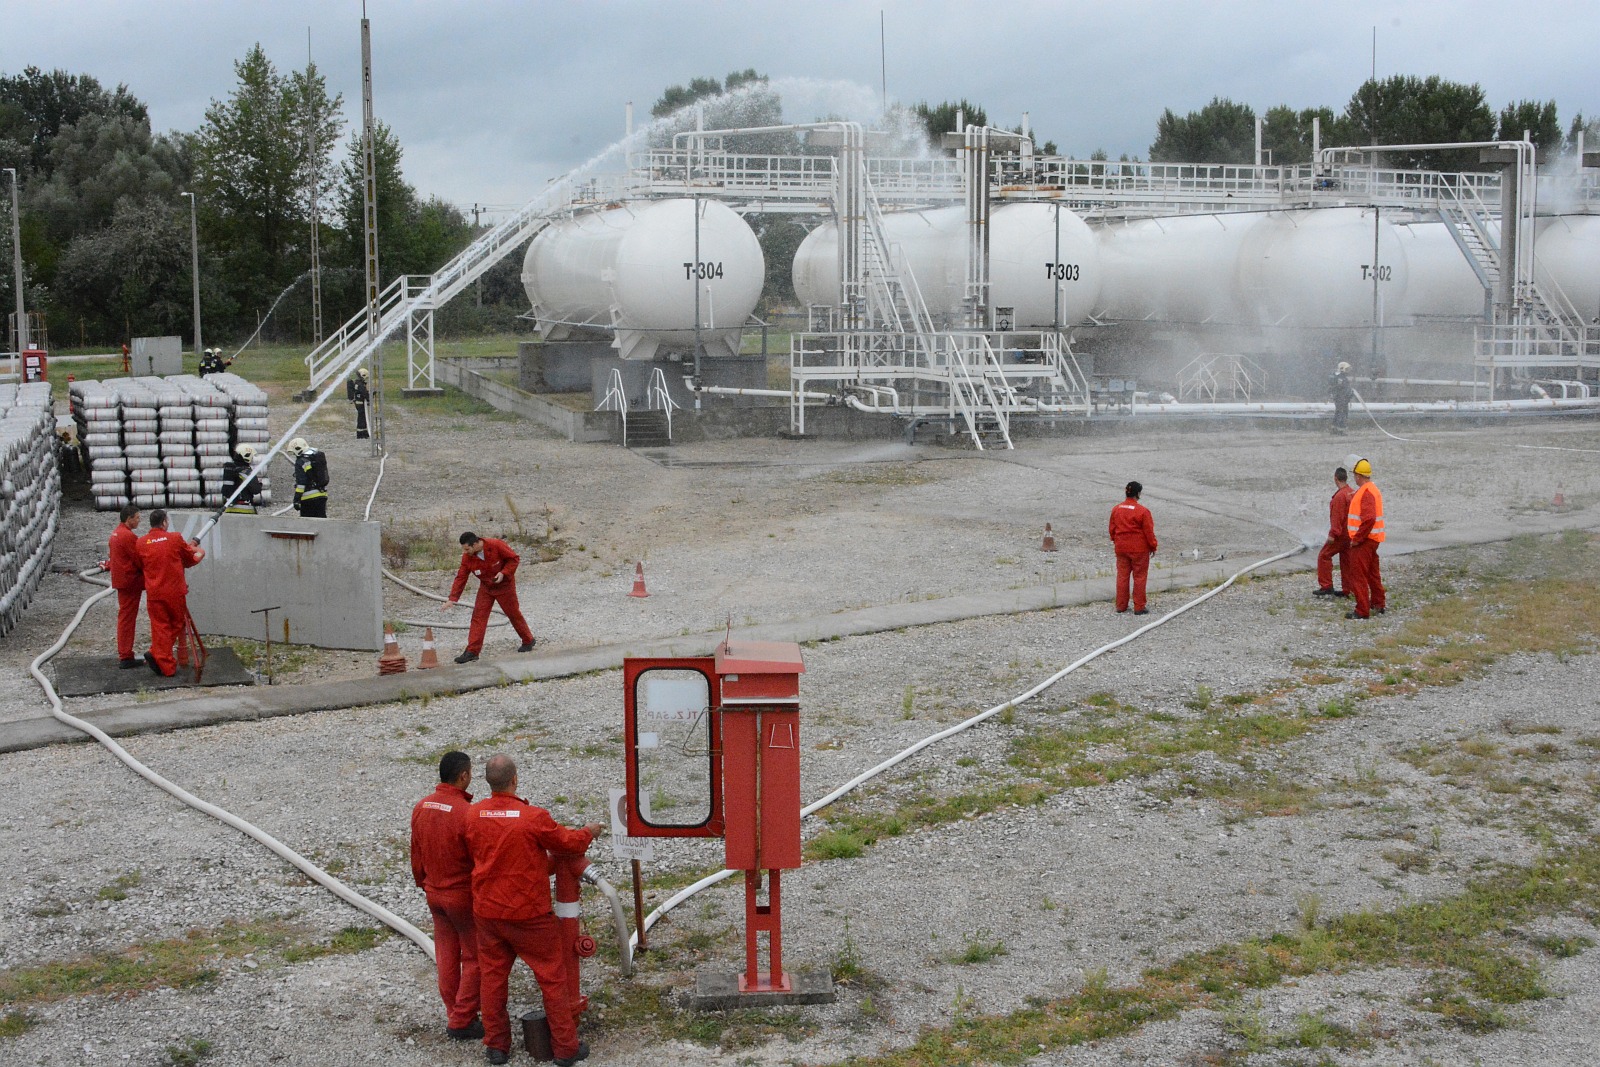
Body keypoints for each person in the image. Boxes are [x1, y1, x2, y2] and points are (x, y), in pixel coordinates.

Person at [466, 754, 603, 1067]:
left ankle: (497, 1047)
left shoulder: (472, 816)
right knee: (552, 980)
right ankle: (566, 1049)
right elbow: (567, 843)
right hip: (528, 917)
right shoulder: (532, 817)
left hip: (488, 914)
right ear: (515, 780)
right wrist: (588, 832)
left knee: (493, 980)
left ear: (488, 782)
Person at [411, 751, 483, 1042]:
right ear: (463, 776)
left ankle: (454, 1011)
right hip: (461, 897)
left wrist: (425, 883)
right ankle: (462, 1019)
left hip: (434, 893)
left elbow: (416, 854)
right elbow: (479, 860)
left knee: (445, 954)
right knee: (475, 956)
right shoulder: (466, 813)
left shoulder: (421, 806)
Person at [445, 532, 536, 664]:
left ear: (475, 544)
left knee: (513, 613)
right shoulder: (467, 558)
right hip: (486, 588)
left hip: (505, 586)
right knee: (478, 617)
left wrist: (504, 573)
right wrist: (452, 598)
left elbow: (513, 559)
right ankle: (472, 651)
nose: (465, 552)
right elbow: (461, 577)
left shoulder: (496, 545)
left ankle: (528, 640)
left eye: (467, 549)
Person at [136, 509, 205, 677]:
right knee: (175, 624)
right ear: (165, 522)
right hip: (174, 592)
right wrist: (200, 553)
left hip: (154, 593)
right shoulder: (175, 538)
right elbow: (189, 559)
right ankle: (165, 665)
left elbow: (141, 564)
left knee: (160, 627)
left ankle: (156, 652)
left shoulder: (141, 542)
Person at [1345, 458, 1387, 620]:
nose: (1354, 478)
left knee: (1358, 575)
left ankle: (1362, 610)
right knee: (1372, 573)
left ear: (1358, 475)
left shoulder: (1366, 492)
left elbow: (1369, 518)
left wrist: (1357, 539)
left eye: (1355, 475)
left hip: (1364, 541)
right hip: (1373, 540)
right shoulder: (1371, 489)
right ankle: (1378, 603)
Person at [1109, 480, 1159, 615]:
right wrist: (1153, 546)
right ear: (1138, 493)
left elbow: (1112, 529)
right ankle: (1139, 606)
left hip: (1121, 548)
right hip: (1139, 549)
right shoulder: (1143, 511)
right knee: (1140, 576)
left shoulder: (1116, 509)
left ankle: (1121, 605)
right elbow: (1149, 532)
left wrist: (1117, 541)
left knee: (1122, 576)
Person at [105, 504, 144, 668]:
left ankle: (125, 653)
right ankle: (126, 655)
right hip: (130, 582)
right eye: (137, 518)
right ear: (129, 519)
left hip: (122, 581)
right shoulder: (128, 537)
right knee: (127, 619)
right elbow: (140, 559)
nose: (139, 521)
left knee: (125, 617)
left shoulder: (116, 533)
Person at [1313, 467, 1355, 598]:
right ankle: (1348, 589)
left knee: (1324, 556)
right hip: (1351, 533)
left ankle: (1326, 586)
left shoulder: (1340, 496)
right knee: (1346, 560)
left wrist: (1332, 534)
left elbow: (1337, 517)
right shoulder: (1351, 492)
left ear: (1335, 478)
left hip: (1341, 534)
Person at [288, 438, 329, 518]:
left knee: (307, 526)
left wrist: (296, 500)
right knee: (322, 524)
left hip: (308, 498)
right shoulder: (315, 456)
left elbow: (301, 483)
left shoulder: (301, 461)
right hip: (322, 495)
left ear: (297, 449)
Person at [220, 444, 262, 514]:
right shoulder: (247, 472)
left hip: (229, 510)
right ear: (247, 456)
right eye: (251, 457)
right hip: (245, 511)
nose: (252, 459)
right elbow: (256, 490)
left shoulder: (231, 469)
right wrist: (259, 484)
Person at [1329, 361, 1354, 433]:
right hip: (1341, 399)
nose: (1348, 371)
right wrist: (1350, 393)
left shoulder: (1338, 377)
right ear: (1342, 369)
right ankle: (1341, 429)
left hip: (1340, 398)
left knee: (1338, 412)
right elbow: (1343, 388)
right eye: (1347, 369)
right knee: (1342, 413)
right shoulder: (1341, 378)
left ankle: (1334, 428)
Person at [346, 367, 371, 439]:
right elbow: (364, 393)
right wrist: (369, 398)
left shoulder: (357, 383)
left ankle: (363, 433)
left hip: (358, 402)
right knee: (362, 418)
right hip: (360, 403)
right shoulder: (360, 384)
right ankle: (361, 434)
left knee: (362, 417)